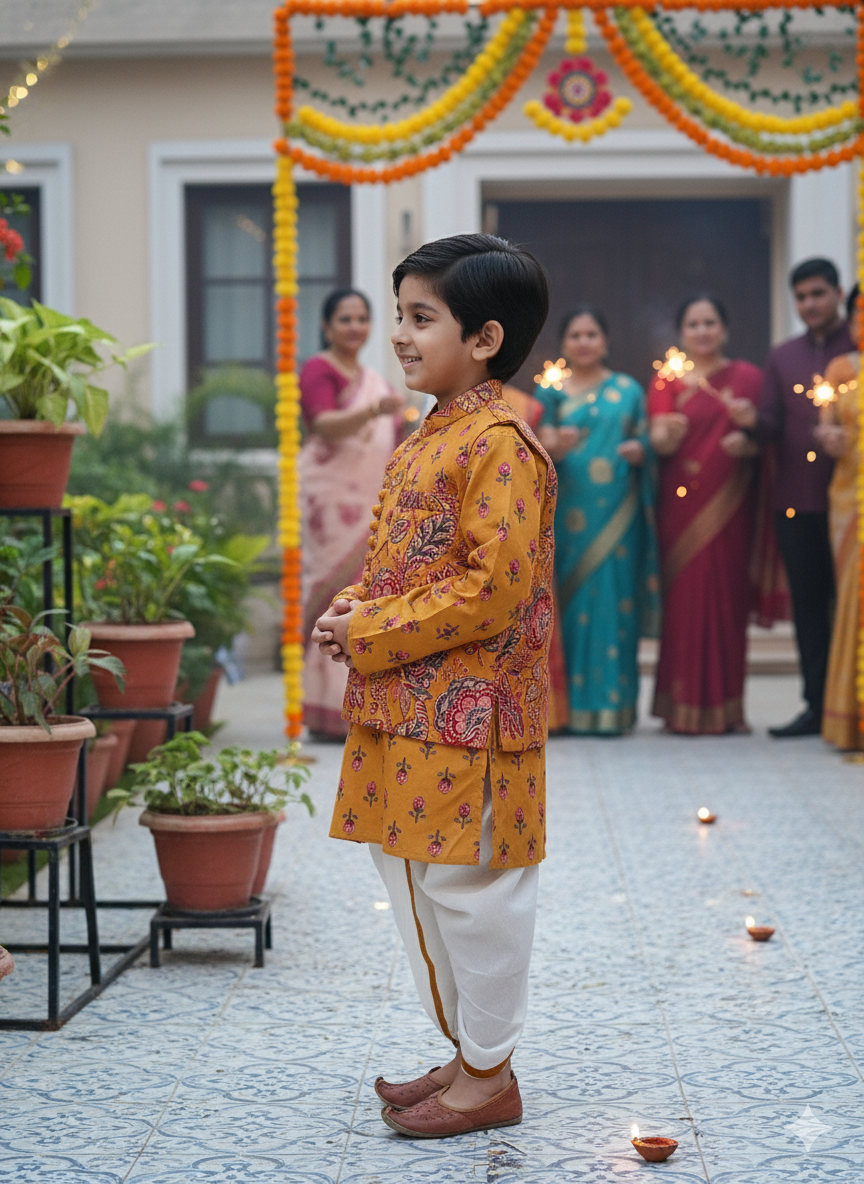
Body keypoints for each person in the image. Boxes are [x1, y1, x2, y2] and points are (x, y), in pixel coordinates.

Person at [311, 234, 555, 1138]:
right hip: (410, 706)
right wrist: (354, 604)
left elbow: (492, 588)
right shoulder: (435, 433)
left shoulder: (501, 444)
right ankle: (469, 1054)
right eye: (401, 315)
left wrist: (367, 628)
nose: (401, 337)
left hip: (471, 721)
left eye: (422, 318)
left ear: (485, 337)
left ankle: (489, 1076)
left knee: (471, 890)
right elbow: (407, 556)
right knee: (418, 880)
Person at [737, 259, 854, 737]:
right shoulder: (783, 356)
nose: (810, 304)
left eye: (818, 294)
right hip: (797, 502)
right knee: (809, 607)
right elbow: (770, 426)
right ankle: (816, 706)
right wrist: (748, 420)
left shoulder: (857, 349)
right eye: (801, 297)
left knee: (852, 604)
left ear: (839, 294)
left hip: (851, 501)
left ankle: (852, 704)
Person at [535, 306, 659, 734]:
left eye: (592, 334)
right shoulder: (548, 393)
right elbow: (534, 448)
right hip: (566, 515)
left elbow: (646, 438)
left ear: (605, 341)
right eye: (575, 335)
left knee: (614, 607)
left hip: (619, 517)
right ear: (564, 343)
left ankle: (613, 709)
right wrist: (554, 446)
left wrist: (642, 451)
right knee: (566, 610)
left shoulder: (628, 390)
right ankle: (566, 709)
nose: (584, 342)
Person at [648, 296, 763, 734]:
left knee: (728, 600)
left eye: (710, 322)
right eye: (693, 324)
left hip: (731, 504)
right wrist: (666, 435)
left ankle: (728, 708)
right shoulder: (668, 381)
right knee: (685, 601)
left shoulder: (748, 379)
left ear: (724, 329)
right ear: (682, 333)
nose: (702, 331)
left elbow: (763, 440)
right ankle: (679, 707)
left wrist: (750, 436)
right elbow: (657, 438)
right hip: (681, 506)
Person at [299, 289, 405, 740]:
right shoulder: (319, 369)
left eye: (362, 318)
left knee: (365, 593)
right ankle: (324, 708)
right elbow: (323, 423)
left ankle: (358, 703)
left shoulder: (374, 379)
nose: (354, 327)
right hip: (330, 498)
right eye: (345, 319)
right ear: (326, 326)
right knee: (328, 591)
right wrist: (372, 411)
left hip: (371, 500)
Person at [815, 285, 861, 750]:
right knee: (853, 600)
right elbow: (827, 422)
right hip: (851, 500)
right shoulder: (843, 368)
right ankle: (851, 718)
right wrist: (828, 437)